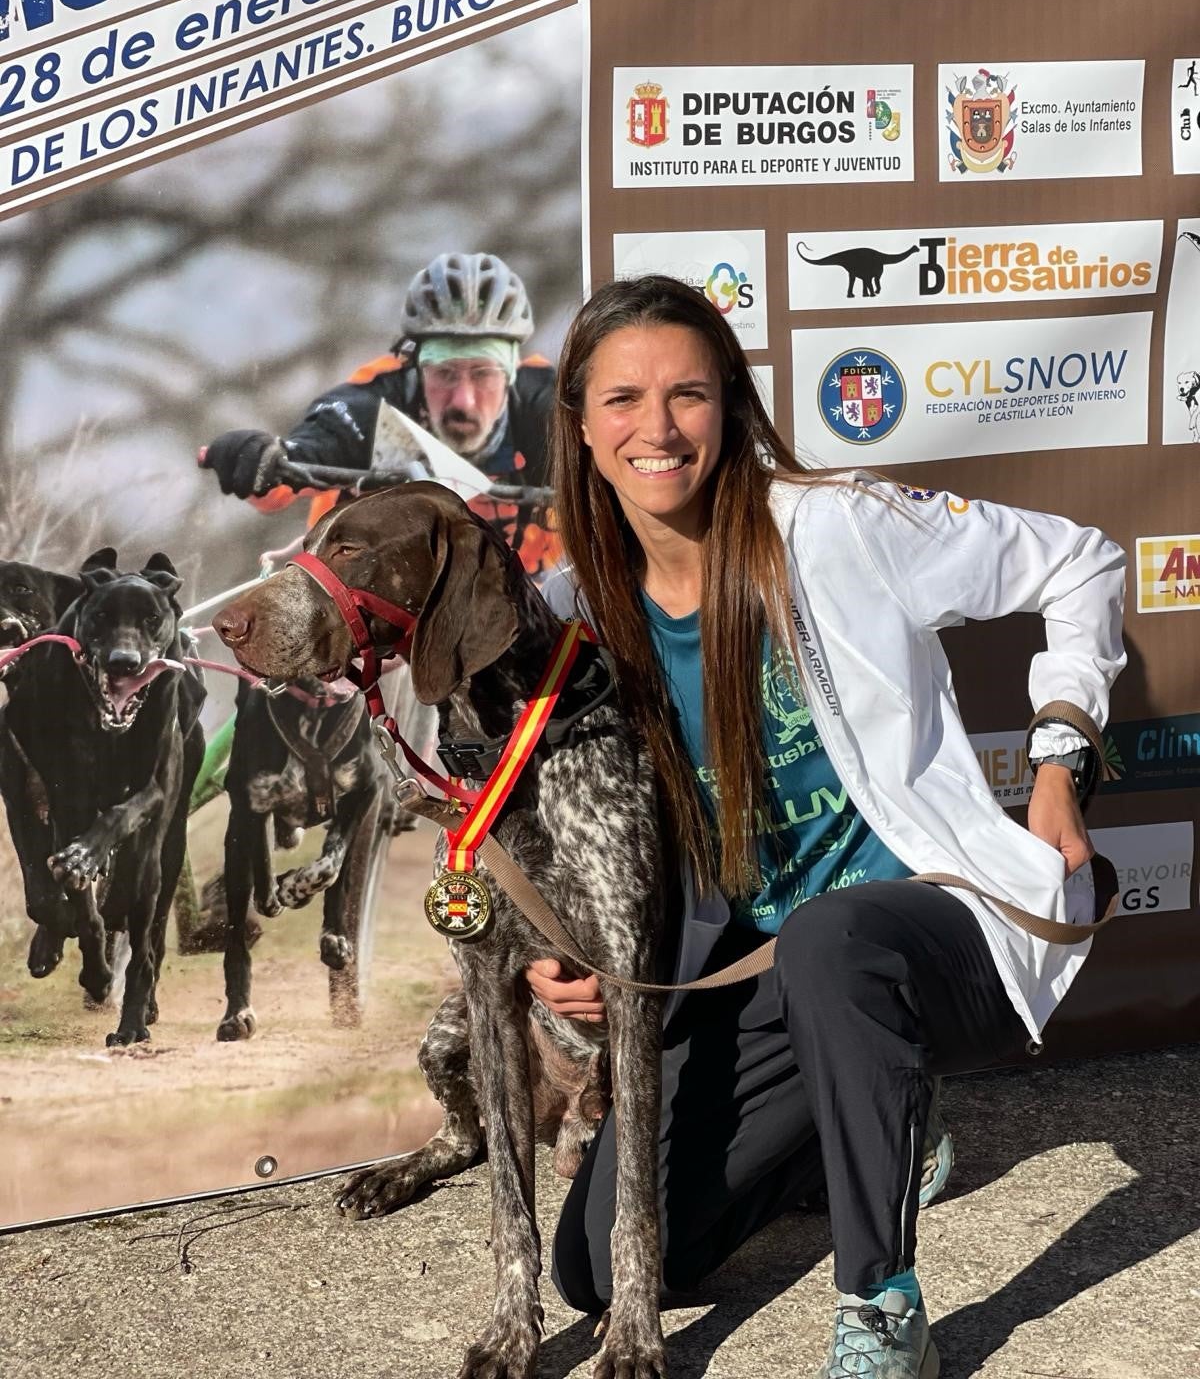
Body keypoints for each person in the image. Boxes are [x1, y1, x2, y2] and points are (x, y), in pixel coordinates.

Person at [533, 275, 1124, 1379]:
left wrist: (1058, 762)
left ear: (732, 405)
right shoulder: (577, 611)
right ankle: (867, 1126)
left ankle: (880, 1302)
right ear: (579, 422)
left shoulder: (838, 525)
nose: (655, 429)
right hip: (757, 969)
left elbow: (1081, 557)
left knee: (833, 936)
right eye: (621, 400)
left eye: (688, 395)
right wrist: (555, 950)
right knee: (606, 1271)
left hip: (937, 935)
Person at [203, 250, 560, 577]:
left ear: (512, 372)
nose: (463, 400)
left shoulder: (545, 404)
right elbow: (312, 448)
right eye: (445, 374)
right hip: (377, 612)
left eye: (483, 374)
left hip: (526, 605)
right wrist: (264, 458)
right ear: (416, 367)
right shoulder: (373, 403)